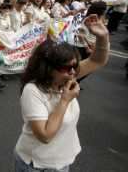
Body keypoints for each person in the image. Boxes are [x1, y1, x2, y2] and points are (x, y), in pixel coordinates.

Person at [14, 14, 109, 172]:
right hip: (36, 165)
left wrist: (103, 37)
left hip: (62, 161)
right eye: (67, 68)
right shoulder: (33, 90)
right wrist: (64, 101)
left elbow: (97, 60)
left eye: (75, 66)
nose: (73, 72)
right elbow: (45, 135)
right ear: (48, 68)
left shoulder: (64, 77)